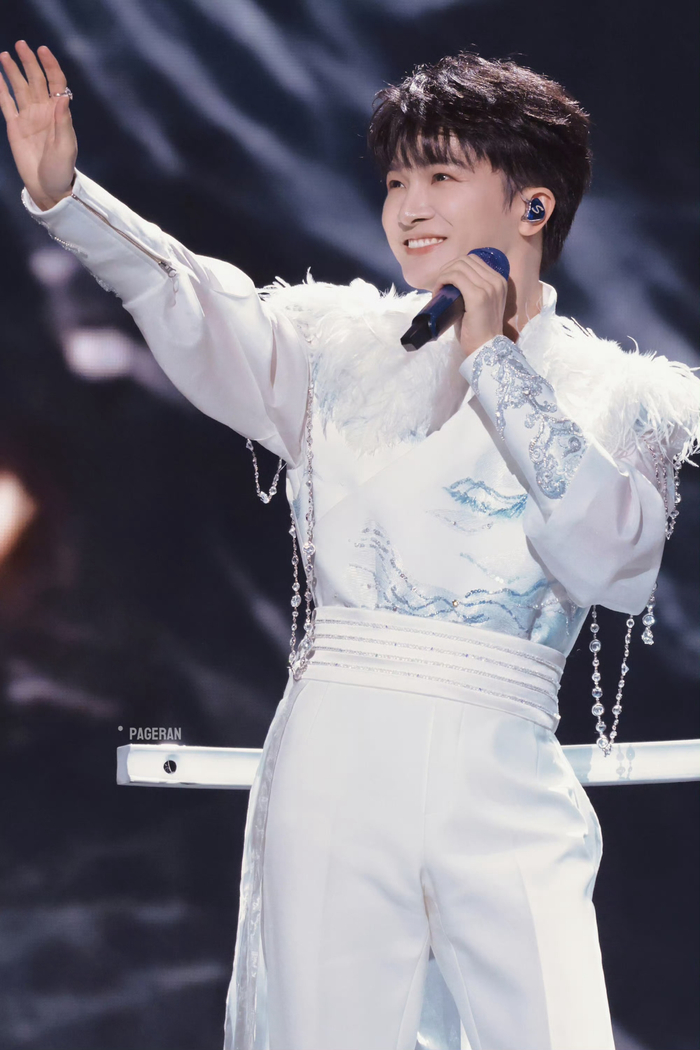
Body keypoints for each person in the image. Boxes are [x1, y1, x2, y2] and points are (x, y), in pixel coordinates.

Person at [2, 40, 698, 1050]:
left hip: (503, 762)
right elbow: (190, 297)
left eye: (441, 177)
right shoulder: (337, 346)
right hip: (335, 756)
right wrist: (67, 200)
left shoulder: (623, 394)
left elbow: (613, 557)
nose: (408, 206)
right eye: (396, 182)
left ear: (533, 205)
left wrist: (495, 365)